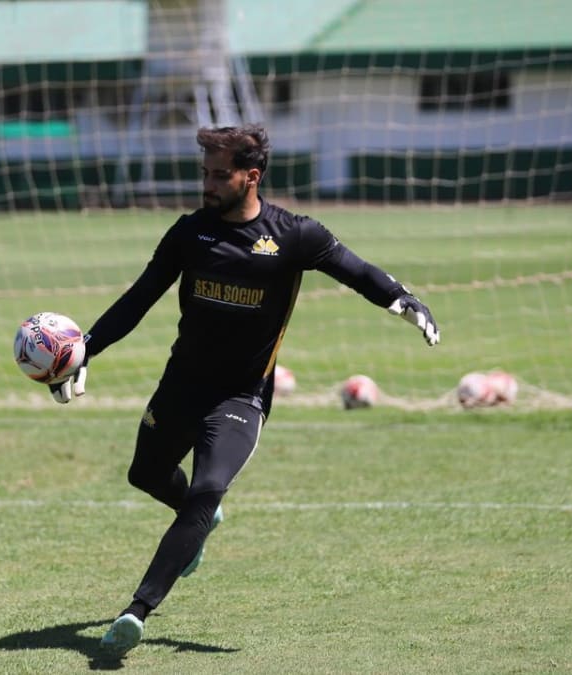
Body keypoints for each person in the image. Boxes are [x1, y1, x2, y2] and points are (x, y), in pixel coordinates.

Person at [48, 124, 440, 656]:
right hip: (182, 384)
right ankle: (200, 520)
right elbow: (138, 298)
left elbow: (356, 270)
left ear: (251, 176)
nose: (207, 185)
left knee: (206, 490)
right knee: (146, 474)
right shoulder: (189, 233)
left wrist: (402, 298)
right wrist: (86, 349)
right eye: (205, 173)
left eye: (219, 175)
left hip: (243, 396)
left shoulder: (294, 235)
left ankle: (135, 611)